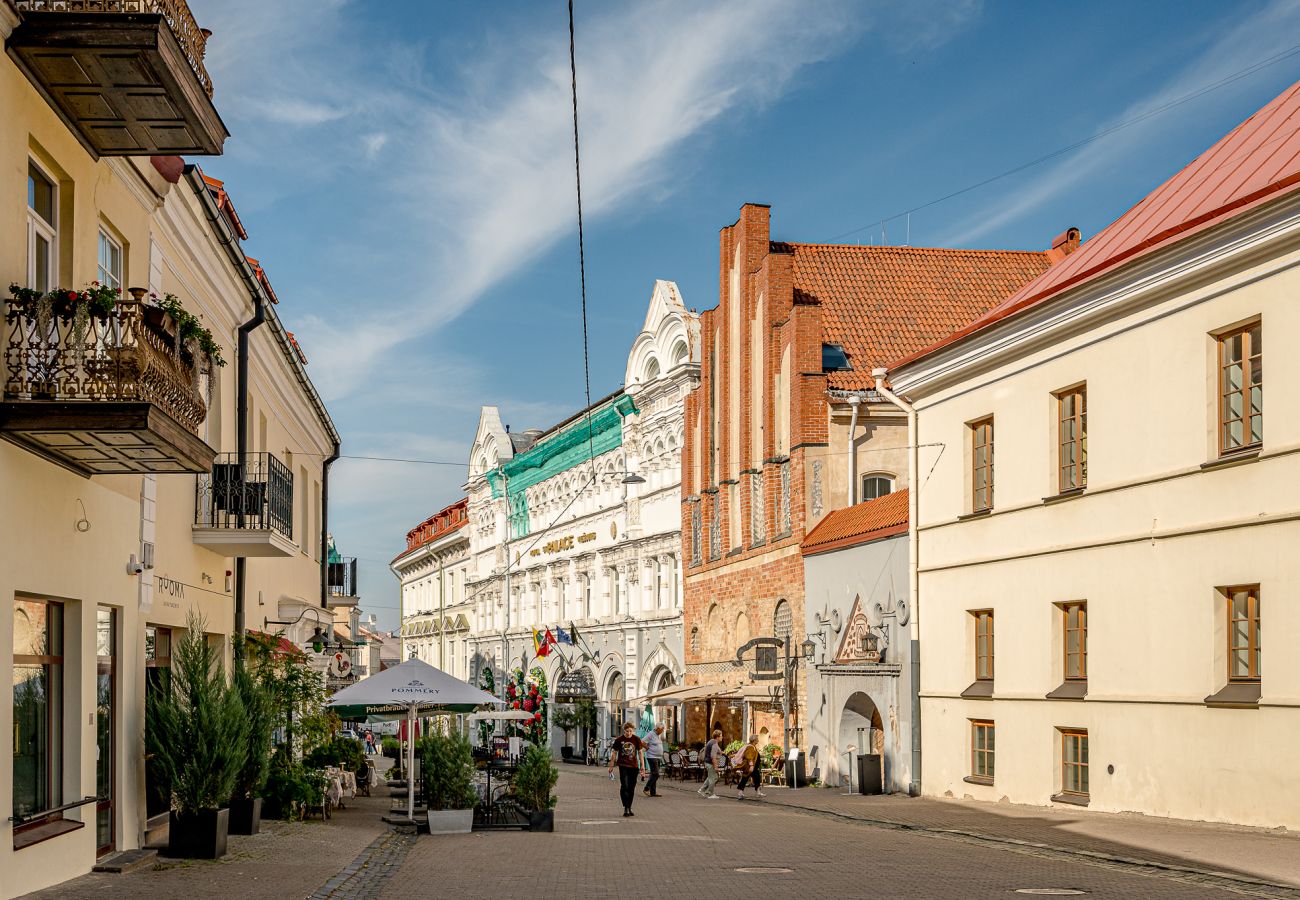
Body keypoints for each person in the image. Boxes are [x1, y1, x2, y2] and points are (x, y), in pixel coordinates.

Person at [608, 721, 648, 817]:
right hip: (623, 766)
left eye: (630, 731)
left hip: (634, 767)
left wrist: (643, 766)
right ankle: (625, 807)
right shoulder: (619, 740)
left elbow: (640, 753)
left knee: (631, 788)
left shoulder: (636, 739)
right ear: (624, 731)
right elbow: (614, 753)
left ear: (633, 730)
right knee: (624, 786)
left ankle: (629, 807)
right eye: (627, 731)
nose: (629, 733)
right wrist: (611, 766)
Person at [736, 734, 765, 800]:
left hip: (754, 767)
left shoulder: (752, 746)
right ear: (754, 740)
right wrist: (751, 766)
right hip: (751, 767)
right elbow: (749, 757)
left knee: (756, 778)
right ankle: (740, 793)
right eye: (757, 739)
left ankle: (758, 792)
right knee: (745, 779)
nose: (758, 740)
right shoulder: (750, 747)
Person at [698, 728, 724, 799]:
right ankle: (710, 794)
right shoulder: (714, 744)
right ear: (717, 737)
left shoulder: (711, 741)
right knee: (714, 778)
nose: (722, 737)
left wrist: (723, 752)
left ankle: (702, 790)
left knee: (710, 777)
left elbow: (716, 752)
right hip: (710, 763)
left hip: (707, 762)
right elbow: (713, 756)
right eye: (721, 736)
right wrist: (716, 766)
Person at [643, 724, 665, 798]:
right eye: (662, 729)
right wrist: (647, 748)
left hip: (657, 757)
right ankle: (646, 788)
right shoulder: (651, 734)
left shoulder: (657, 735)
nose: (662, 731)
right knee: (656, 774)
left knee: (653, 774)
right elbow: (642, 741)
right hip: (652, 756)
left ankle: (653, 792)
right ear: (658, 728)